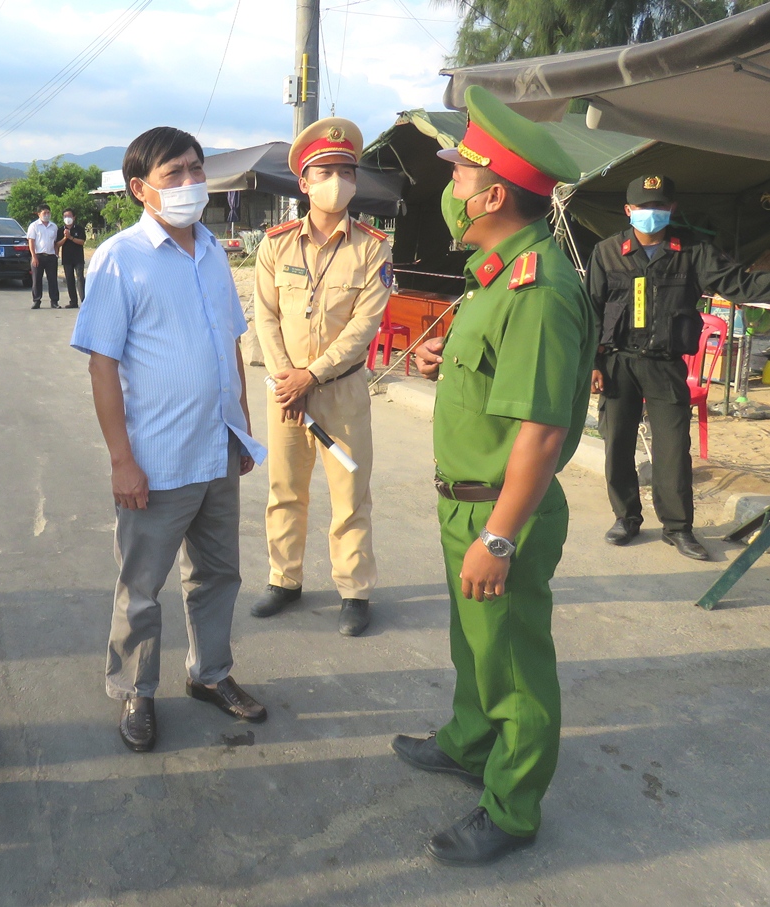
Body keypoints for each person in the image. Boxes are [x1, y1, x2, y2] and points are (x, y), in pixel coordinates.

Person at [396, 85, 594, 866]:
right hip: (467, 505)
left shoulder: (539, 287)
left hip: (499, 512)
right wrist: (434, 359)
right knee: (473, 646)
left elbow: (541, 434)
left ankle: (512, 806)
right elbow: (494, 379)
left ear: (491, 191)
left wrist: (500, 538)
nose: (448, 189)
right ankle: (468, 741)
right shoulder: (496, 273)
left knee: (512, 662)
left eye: (456, 176)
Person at [70, 126, 268, 754]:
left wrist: (241, 428)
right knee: (143, 586)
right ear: (140, 189)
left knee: (217, 574)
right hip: (154, 462)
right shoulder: (120, 258)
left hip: (215, 449)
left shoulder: (212, 250)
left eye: (195, 170)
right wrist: (121, 461)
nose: (190, 184)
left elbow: (230, 344)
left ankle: (210, 674)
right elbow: (102, 364)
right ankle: (137, 690)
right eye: (174, 174)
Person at [252, 117, 393, 636]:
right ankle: (283, 580)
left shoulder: (373, 247)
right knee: (284, 489)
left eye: (347, 171)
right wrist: (286, 378)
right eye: (327, 171)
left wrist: (311, 375)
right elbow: (264, 315)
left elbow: (363, 328)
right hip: (285, 393)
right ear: (304, 182)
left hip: (342, 392)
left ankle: (354, 590)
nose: (339, 181)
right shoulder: (276, 244)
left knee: (350, 493)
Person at [588, 175, 770, 560]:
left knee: (673, 449)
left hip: (665, 364)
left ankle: (678, 528)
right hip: (618, 361)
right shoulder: (606, 252)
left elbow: (738, 284)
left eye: (658, 207)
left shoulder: (694, 251)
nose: (650, 214)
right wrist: (593, 363)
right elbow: (591, 310)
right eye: (643, 207)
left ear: (671, 209)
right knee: (617, 444)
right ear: (628, 211)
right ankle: (627, 518)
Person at [27, 204, 60, 309]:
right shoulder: (34, 226)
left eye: (48, 212)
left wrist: (56, 254)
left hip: (51, 256)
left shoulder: (54, 226)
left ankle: (54, 301)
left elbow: (56, 242)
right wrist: (33, 256)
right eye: (44, 213)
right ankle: (36, 300)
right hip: (38, 256)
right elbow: (31, 241)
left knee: (53, 280)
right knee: (36, 279)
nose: (46, 215)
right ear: (38, 214)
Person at [57, 207, 87, 308]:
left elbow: (82, 242)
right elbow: (57, 244)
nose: (67, 218)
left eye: (69, 216)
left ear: (74, 217)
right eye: (65, 216)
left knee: (80, 279)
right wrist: (65, 237)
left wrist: (71, 237)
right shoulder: (61, 230)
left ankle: (84, 301)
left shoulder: (79, 229)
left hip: (78, 258)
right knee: (69, 280)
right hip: (67, 259)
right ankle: (73, 302)